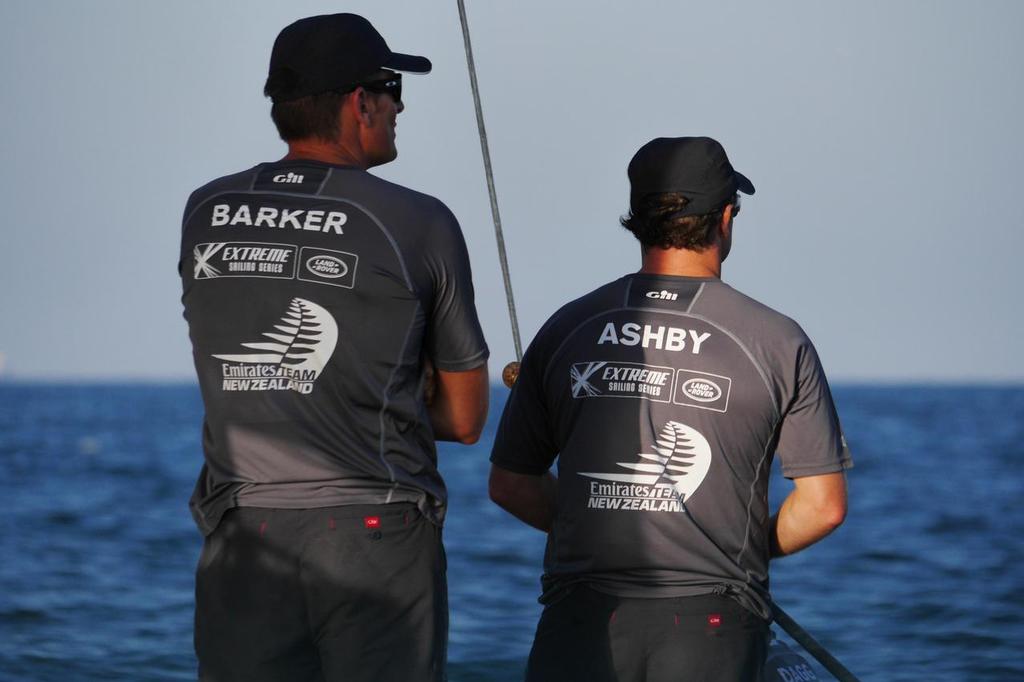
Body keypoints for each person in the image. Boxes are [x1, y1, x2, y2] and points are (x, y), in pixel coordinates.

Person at [178, 14, 489, 682]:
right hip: (373, 538)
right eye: (393, 87)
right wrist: (404, 390)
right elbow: (466, 420)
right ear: (359, 102)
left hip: (243, 538)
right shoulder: (420, 221)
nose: (400, 105)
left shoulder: (204, 210)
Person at [489, 137, 851, 681]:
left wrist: (608, 523)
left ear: (637, 219)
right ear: (725, 218)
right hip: (711, 621)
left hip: (579, 616)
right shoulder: (777, 341)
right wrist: (730, 547)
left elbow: (511, 484)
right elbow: (823, 507)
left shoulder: (567, 327)